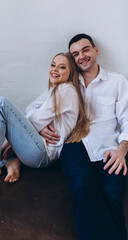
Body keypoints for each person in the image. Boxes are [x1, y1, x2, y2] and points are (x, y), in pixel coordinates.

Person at [40, 34, 128, 240]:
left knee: (113, 199)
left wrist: (122, 150)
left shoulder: (118, 81)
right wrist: (41, 127)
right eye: (75, 54)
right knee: (84, 193)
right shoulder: (66, 81)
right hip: (74, 144)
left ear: (96, 50)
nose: (82, 56)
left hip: (110, 149)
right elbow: (35, 107)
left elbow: (127, 119)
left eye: (85, 50)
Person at [0, 52, 89, 186]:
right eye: (53, 65)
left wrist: (8, 142)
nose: (55, 69)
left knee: (0, 105)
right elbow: (30, 109)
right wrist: (40, 128)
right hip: (36, 147)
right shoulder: (53, 90)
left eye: (62, 67)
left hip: (42, 153)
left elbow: (36, 117)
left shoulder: (66, 90)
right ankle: (13, 161)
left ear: (71, 72)